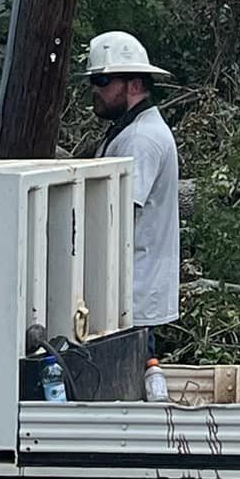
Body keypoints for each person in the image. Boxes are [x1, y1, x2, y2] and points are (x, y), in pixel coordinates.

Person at [84, 32, 179, 352]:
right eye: (94, 80)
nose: (95, 89)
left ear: (135, 84)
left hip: (130, 296)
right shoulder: (130, 131)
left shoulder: (141, 138)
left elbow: (119, 213)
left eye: (103, 80)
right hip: (122, 294)